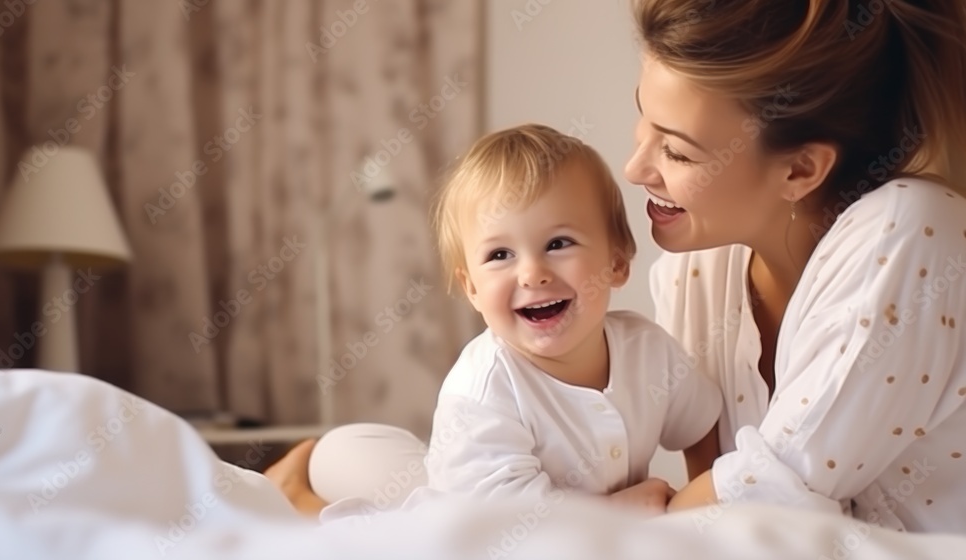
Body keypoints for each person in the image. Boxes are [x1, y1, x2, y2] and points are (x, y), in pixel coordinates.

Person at [267, 0, 966, 533]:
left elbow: (768, 493)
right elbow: (719, 499)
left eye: (679, 151)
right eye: (642, 123)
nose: (634, 169)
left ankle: (317, 496)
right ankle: (314, 492)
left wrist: (621, 522)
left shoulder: (912, 231)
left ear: (802, 169)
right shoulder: (700, 272)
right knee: (418, 482)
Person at [270, 124, 723, 521]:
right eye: (499, 255)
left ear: (618, 262)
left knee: (421, 479)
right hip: (473, 520)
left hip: (468, 475)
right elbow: (503, 528)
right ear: (470, 288)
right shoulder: (485, 387)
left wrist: (702, 516)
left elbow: (700, 423)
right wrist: (617, 511)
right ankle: (295, 498)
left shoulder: (648, 350)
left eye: (559, 242)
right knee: (407, 530)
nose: (531, 273)